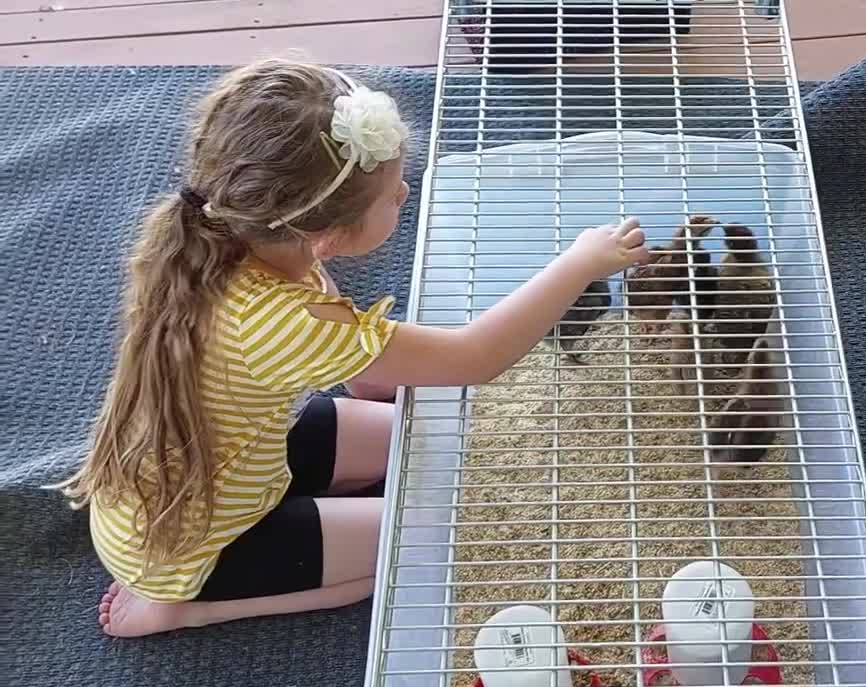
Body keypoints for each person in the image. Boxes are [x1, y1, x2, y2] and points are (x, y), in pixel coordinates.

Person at [53, 59, 649, 638]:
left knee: (427, 441)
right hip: (189, 546)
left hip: (223, 458)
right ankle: (183, 609)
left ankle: (304, 507)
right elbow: (476, 357)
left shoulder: (223, 239)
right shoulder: (284, 321)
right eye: (391, 196)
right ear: (327, 235)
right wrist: (578, 265)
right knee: (412, 542)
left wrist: (398, 361)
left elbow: (366, 379)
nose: (405, 193)